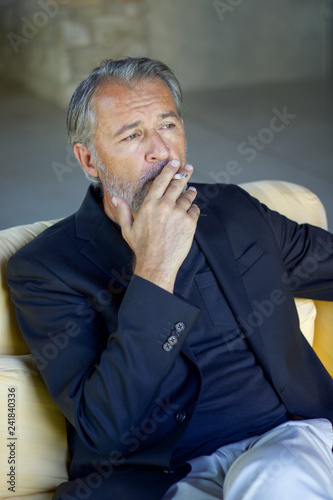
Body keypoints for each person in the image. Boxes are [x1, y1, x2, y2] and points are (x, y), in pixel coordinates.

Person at [7, 57, 333, 500]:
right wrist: (155, 267)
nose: (161, 150)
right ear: (88, 159)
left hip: (287, 444)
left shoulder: (234, 212)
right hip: (166, 480)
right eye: (133, 134)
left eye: (168, 125)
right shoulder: (48, 269)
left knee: (273, 479)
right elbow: (105, 428)